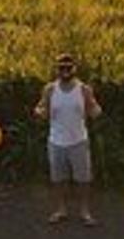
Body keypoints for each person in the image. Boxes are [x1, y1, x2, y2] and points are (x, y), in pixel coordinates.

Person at [35, 53, 102, 224]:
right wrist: (39, 112)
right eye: (61, 67)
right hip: (56, 141)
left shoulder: (84, 89)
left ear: (74, 68)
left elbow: (93, 107)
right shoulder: (50, 89)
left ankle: (85, 211)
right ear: (56, 69)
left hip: (79, 141)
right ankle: (61, 209)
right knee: (58, 179)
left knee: (83, 179)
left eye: (68, 67)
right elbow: (41, 107)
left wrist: (96, 111)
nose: (65, 70)